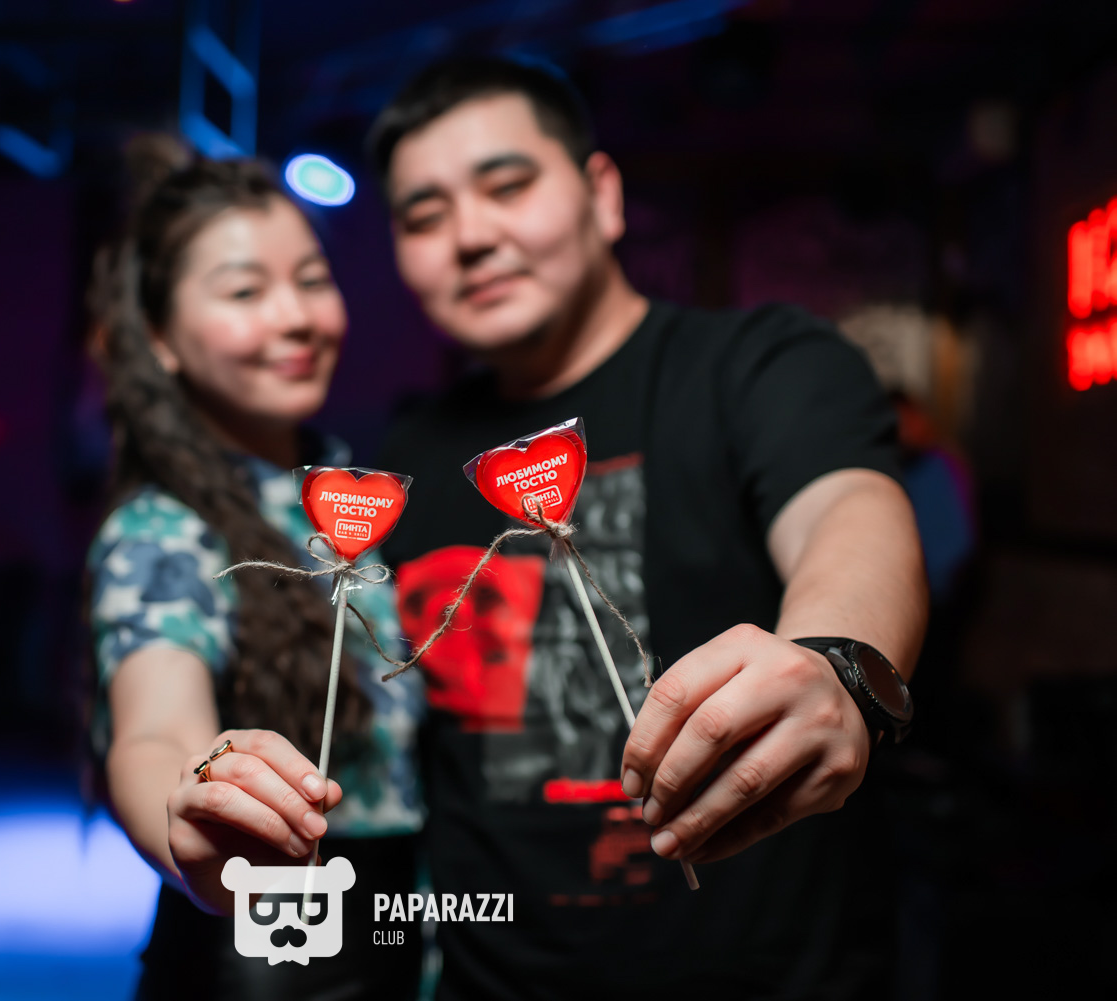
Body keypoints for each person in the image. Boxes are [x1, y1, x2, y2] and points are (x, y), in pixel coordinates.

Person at [363, 57, 929, 1000]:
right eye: (424, 216)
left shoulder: (757, 365)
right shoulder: (400, 459)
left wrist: (838, 661)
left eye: (508, 185)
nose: (471, 235)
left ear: (603, 195)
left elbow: (848, 507)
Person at [84, 137, 426, 1000]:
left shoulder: (344, 485)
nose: (295, 317)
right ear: (160, 338)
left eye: (311, 279)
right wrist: (189, 817)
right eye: (245, 291)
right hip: (265, 961)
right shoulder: (165, 528)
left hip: (396, 934)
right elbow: (153, 728)